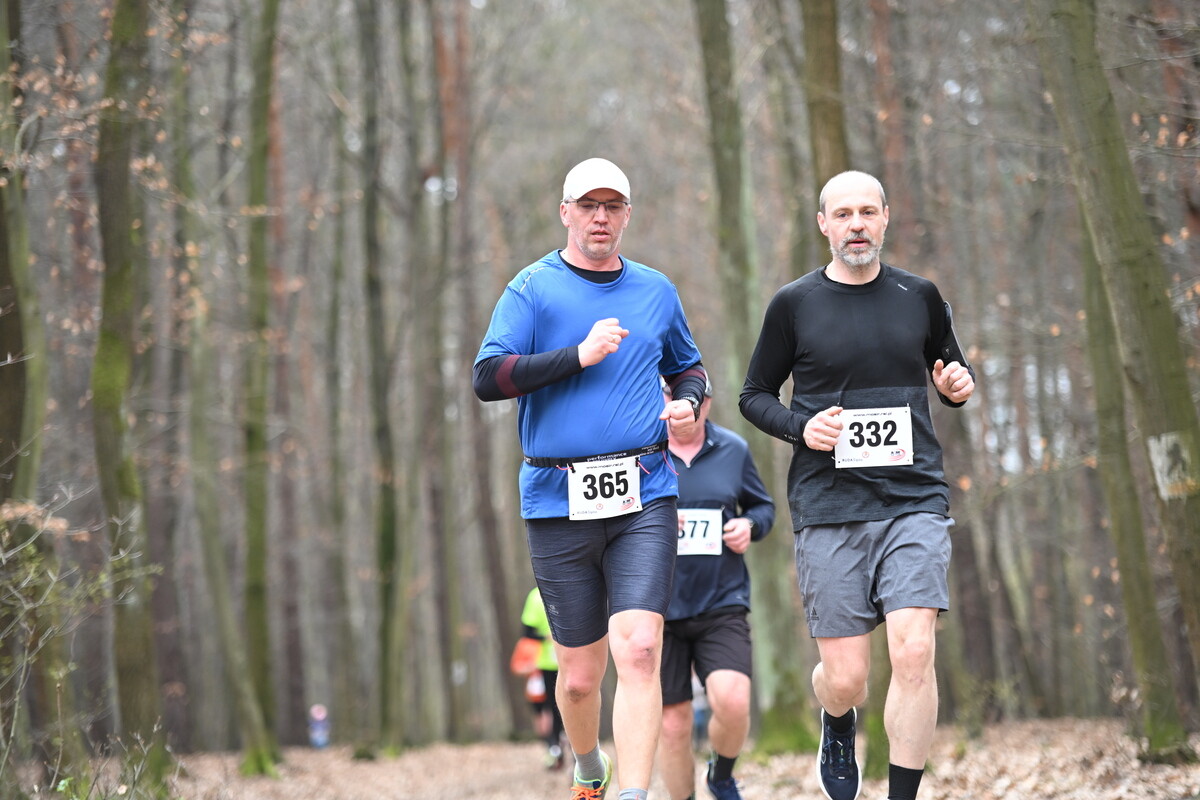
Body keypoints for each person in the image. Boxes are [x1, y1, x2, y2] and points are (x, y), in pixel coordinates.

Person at [473, 157, 709, 800]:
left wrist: (687, 402)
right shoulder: (531, 289)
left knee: (638, 649)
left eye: (612, 206)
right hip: (556, 498)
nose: (600, 217)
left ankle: (633, 793)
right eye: (588, 205)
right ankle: (587, 765)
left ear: (627, 214)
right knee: (579, 677)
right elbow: (486, 378)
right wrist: (576, 357)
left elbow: (690, 369)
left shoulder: (656, 290)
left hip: (645, 493)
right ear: (566, 213)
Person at [738, 171, 976, 800]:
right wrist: (801, 427)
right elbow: (753, 395)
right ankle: (837, 718)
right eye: (842, 214)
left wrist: (956, 386)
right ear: (824, 224)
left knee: (915, 652)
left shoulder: (919, 295)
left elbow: (952, 367)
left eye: (867, 212)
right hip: (829, 503)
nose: (856, 224)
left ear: (886, 218)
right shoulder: (794, 304)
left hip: (914, 498)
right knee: (846, 678)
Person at [657, 380, 774, 800]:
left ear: (707, 402)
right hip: (657, 608)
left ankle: (721, 775)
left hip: (721, 601)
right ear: (661, 401)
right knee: (672, 724)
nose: (683, 407)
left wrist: (750, 526)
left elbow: (763, 507)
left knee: (733, 700)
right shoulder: (642, 454)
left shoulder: (733, 449)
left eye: (693, 399)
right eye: (672, 397)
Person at [519, 586, 566, 770]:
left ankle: (564, 745)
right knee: (544, 708)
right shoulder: (534, 596)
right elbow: (526, 632)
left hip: (569, 663)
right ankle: (552, 747)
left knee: (564, 706)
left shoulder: (572, 585)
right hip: (542, 664)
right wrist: (546, 637)